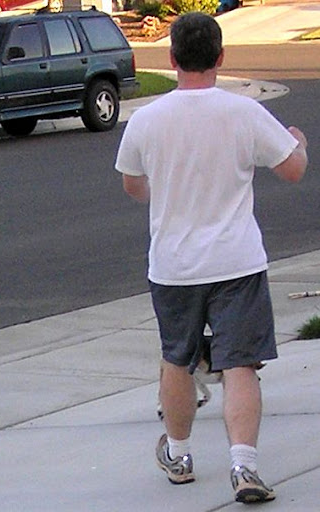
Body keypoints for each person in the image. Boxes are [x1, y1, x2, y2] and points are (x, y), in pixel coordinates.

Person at [115, 12, 307, 504]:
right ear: (220, 57)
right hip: (237, 262)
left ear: (172, 58)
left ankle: (179, 456)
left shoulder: (147, 120)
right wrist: (300, 144)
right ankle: (244, 466)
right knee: (240, 364)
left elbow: (134, 186)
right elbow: (292, 170)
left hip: (173, 265)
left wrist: (166, 190)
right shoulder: (244, 113)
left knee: (177, 360)